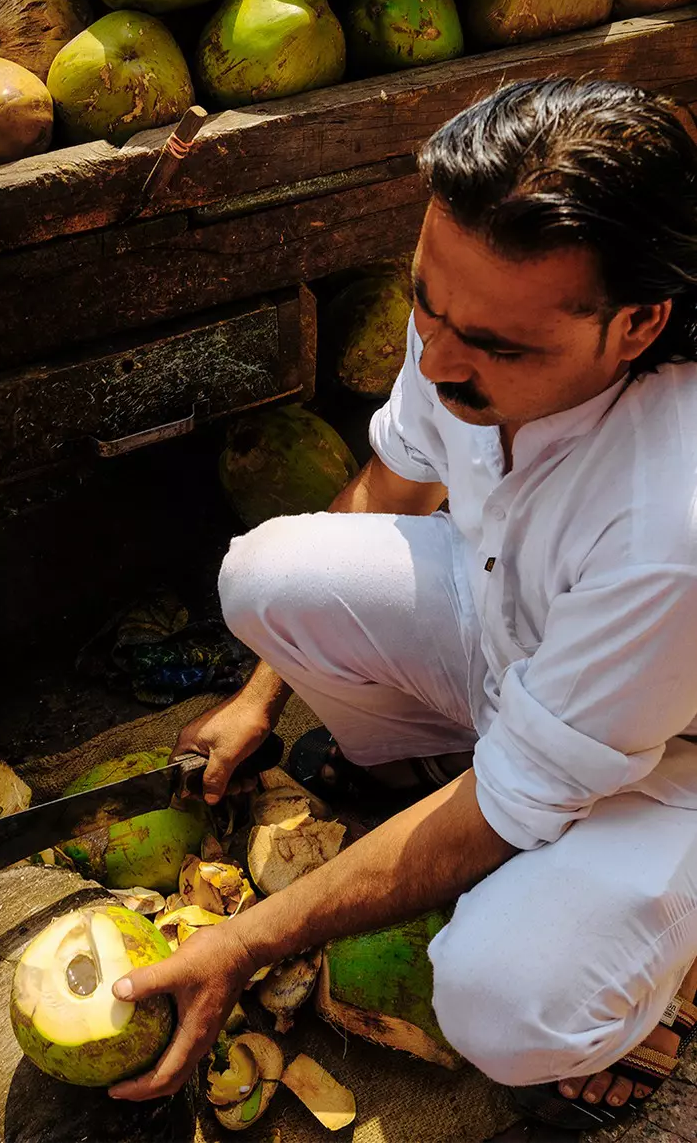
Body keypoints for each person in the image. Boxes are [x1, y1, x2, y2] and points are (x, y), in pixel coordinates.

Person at [106, 80, 697, 1128]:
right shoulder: (466, 329)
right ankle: (437, 764)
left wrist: (247, 939)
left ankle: (658, 986)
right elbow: (387, 488)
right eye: (425, 298)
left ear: (638, 322)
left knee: (504, 1004)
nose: (431, 356)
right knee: (264, 574)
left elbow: (506, 805)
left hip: (669, 753)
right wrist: (260, 697)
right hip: (522, 642)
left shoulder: (668, 523)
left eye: (494, 345)